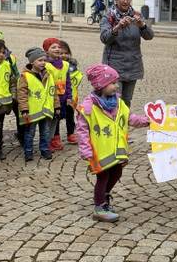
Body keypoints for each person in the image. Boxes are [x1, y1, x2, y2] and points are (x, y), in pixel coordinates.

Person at [75, 64, 149, 222]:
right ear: (101, 85)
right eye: (113, 83)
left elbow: (130, 118)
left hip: (116, 149)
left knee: (117, 173)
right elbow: (82, 130)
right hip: (99, 151)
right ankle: (99, 207)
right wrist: (86, 150)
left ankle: (105, 196)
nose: (116, 86)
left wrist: (146, 121)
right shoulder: (88, 108)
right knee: (103, 177)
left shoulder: (119, 103)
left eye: (116, 82)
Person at [99, 0, 154, 107]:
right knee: (114, 101)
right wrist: (117, 27)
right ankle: (113, 125)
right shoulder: (109, 16)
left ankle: (124, 125)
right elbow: (104, 38)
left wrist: (143, 25)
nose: (125, 1)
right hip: (114, 67)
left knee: (127, 101)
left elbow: (149, 36)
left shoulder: (136, 15)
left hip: (133, 65)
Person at [17, 47, 60, 161]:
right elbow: (22, 94)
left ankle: (45, 150)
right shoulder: (25, 76)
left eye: (44, 60)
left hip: (45, 110)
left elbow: (53, 91)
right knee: (30, 133)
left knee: (45, 132)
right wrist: (24, 109)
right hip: (32, 111)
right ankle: (28, 152)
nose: (43, 63)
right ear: (32, 62)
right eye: (40, 60)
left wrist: (56, 106)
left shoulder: (48, 75)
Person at [42, 38, 72, 151]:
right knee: (48, 120)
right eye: (53, 47)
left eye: (59, 47)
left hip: (62, 98)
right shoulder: (45, 65)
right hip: (49, 98)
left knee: (56, 119)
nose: (57, 49)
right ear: (46, 50)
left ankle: (54, 139)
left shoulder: (65, 65)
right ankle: (46, 141)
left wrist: (69, 96)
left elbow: (68, 81)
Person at [59, 40, 81, 144]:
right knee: (57, 117)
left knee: (70, 115)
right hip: (58, 96)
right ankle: (55, 136)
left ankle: (71, 133)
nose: (64, 55)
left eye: (66, 53)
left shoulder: (72, 65)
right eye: (61, 53)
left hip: (70, 96)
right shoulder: (54, 65)